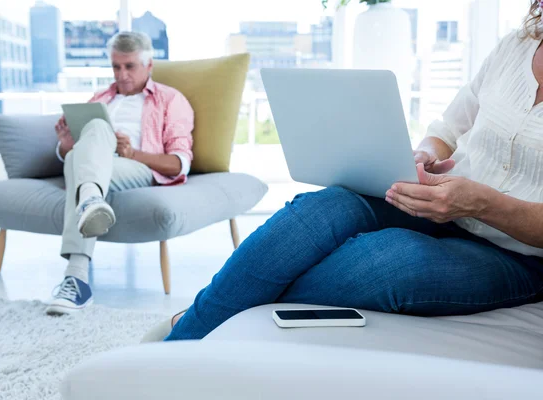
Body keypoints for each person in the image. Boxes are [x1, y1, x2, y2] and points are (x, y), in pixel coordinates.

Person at [155, 2, 543, 340]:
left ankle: (211, 315)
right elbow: (447, 130)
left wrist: (481, 203)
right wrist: (424, 155)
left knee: (392, 260)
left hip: (519, 255)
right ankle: (187, 337)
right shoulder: (517, 45)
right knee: (323, 207)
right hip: (445, 203)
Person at [47, 32, 194, 315]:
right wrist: (66, 146)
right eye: (116, 67)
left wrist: (132, 153)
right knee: (81, 150)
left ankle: (76, 276)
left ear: (148, 65)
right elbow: (76, 155)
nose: (122, 74)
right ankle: (90, 202)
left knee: (92, 139)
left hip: (137, 166)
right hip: (95, 165)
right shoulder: (100, 98)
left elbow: (180, 163)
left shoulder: (170, 99)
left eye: (130, 66)